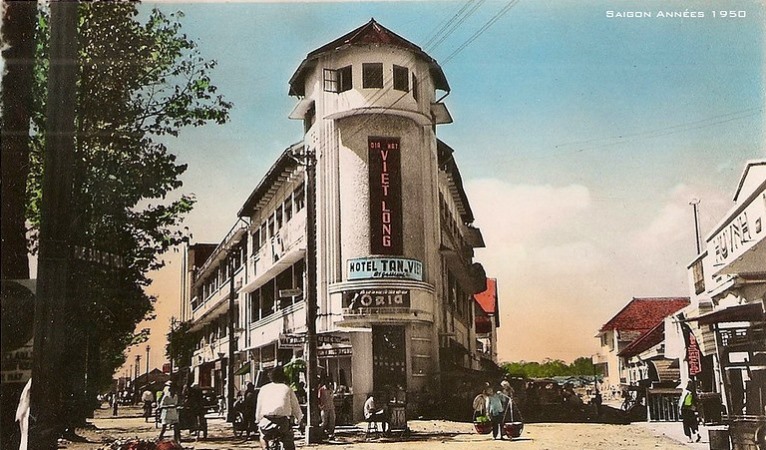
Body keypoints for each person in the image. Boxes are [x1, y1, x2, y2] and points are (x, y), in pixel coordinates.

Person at [255, 366, 303, 450]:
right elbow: (295, 406)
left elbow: (259, 406)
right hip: (282, 422)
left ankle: (265, 448)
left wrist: (258, 419)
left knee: (263, 436)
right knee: (288, 441)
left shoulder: (264, 388)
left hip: (266, 421)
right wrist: (299, 419)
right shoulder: (287, 388)